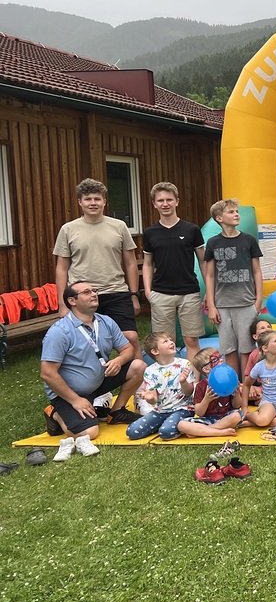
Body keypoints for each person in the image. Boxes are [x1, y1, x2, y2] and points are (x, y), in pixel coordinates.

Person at [53, 178, 142, 424]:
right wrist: (62, 303)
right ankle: (100, 395)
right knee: (89, 345)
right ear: (80, 202)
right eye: (88, 199)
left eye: (97, 199)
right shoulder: (68, 229)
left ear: (104, 201)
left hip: (116, 291)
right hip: (81, 295)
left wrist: (134, 294)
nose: (93, 203)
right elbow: (62, 267)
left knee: (131, 339)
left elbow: (130, 262)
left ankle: (137, 395)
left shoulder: (119, 226)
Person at [40, 281, 146, 461]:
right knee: (90, 432)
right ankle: (54, 413)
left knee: (138, 366)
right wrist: (75, 400)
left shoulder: (105, 321)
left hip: (99, 380)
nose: (94, 294)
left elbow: (128, 349)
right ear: (72, 301)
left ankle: (116, 411)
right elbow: (47, 373)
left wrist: (119, 361)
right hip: (69, 394)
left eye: (94, 290)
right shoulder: (59, 331)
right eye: (87, 292)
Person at [141, 182, 207, 356]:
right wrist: (148, 291)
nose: (165, 204)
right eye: (160, 200)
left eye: (169, 200)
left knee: (191, 340)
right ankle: (169, 374)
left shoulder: (192, 229)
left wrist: (208, 290)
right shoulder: (150, 233)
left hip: (189, 293)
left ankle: (192, 374)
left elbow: (203, 261)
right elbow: (148, 264)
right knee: (164, 342)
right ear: (154, 204)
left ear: (177, 201)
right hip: (161, 293)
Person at [204, 199, 263, 375]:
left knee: (246, 349)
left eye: (237, 211)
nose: (236, 214)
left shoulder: (248, 240)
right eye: (231, 212)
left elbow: (257, 271)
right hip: (222, 305)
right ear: (219, 218)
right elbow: (210, 275)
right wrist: (212, 306)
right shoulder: (213, 243)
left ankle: (246, 385)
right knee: (228, 349)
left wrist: (258, 301)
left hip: (246, 303)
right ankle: (234, 386)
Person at [125, 333, 195, 441]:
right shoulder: (150, 371)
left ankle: (173, 425)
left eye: (170, 339)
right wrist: (150, 398)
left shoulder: (184, 364)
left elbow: (189, 392)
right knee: (132, 432)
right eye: (165, 341)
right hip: (160, 411)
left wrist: (183, 382)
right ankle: (165, 423)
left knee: (165, 432)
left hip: (183, 409)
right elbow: (154, 400)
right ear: (155, 351)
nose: (171, 342)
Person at [177, 347, 245, 439]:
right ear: (206, 369)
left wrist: (236, 396)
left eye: (220, 357)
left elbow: (237, 405)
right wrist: (206, 399)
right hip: (207, 419)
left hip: (226, 417)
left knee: (237, 415)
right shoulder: (201, 386)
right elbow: (199, 413)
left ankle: (205, 431)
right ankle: (220, 432)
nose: (221, 360)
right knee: (181, 425)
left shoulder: (229, 379)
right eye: (216, 359)